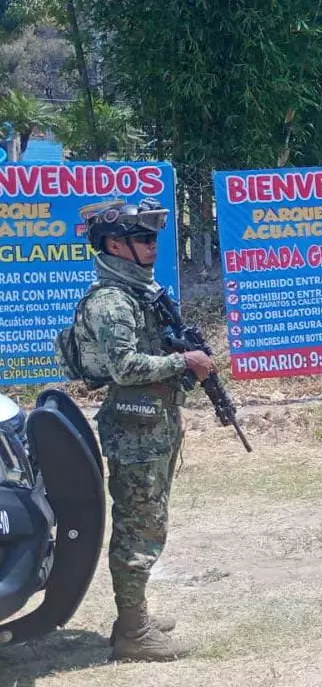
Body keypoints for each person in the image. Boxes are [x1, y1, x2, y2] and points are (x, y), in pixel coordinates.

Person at [68, 199, 214, 661]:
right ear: (115, 244)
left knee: (149, 522)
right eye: (143, 239)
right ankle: (133, 632)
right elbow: (125, 366)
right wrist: (183, 361)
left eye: (153, 239)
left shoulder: (139, 293)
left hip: (151, 422)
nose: (153, 247)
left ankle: (135, 616)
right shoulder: (112, 301)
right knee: (139, 527)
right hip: (134, 429)